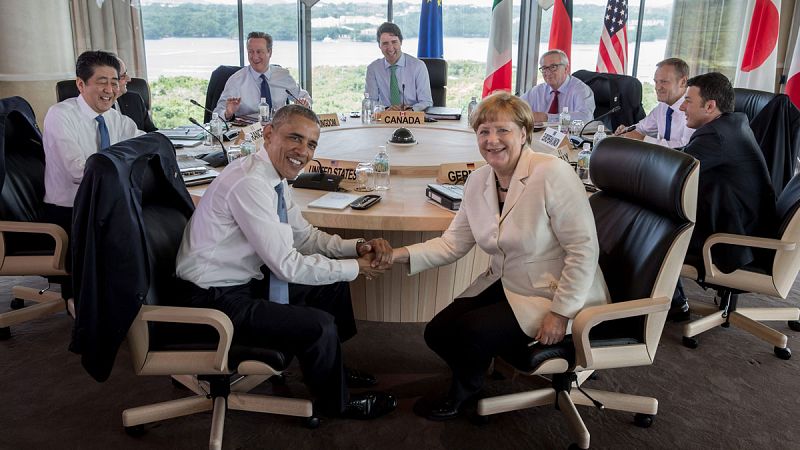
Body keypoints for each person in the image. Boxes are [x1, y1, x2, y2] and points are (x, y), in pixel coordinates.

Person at [389, 92, 609, 420]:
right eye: (484, 131)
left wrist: (561, 313)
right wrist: (395, 255)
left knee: (473, 333)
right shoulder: (479, 180)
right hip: (509, 282)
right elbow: (452, 244)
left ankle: (464, 394)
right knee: (437, 332)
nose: (492, 140)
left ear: (523, 133)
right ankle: (475, 370)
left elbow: (583, 250)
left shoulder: (552, 173)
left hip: (555, 292)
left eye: (502, 130)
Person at [175, 105, 397, 420]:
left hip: (241, 283)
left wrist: (355, 248)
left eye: (311, 144)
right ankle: (338, 403)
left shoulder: (274, 178)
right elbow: (287, 266)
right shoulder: (251, 183)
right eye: (294, 138)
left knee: (331, 287)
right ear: (268, 134)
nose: (302, 151)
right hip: (213, 299)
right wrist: (357, 269)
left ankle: (333, 369)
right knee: (318, 325)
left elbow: (304, 237)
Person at [42, 50, 144, 313]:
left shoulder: (117, 119)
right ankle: (95, 311)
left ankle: (135, 305)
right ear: (80, 84)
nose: (110, 89)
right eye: (102, 82)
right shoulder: (60, 115)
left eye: (114, 81)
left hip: (105, 204)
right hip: (71, 211)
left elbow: (145, 146)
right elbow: (79, 172)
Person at [669, 72, 777, 319]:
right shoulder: (732, 124)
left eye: (688, 101)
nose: (683, 107)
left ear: (710, 106)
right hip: (746, 226)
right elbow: (685, 156)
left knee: (654, 227)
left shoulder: (715, 135)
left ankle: (674, 305)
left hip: (735, 241)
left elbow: (674, 170)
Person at [213, 31, 311, 120]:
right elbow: (217, 114)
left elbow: (303, 96)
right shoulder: (236, 80)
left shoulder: (283, 75)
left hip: (278, 130)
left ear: (270, 52)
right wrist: (228, 113)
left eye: (259, 52)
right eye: (251, 52)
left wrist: (305, 103)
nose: (255, 57)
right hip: (248, 134)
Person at [614, 58, 693, 148]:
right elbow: (642, 128)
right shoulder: (663, 106)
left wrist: (643, 139)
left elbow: (685, 146)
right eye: (656, 82)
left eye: (664, 82)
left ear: (683, 82)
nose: (657, 87)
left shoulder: (693, 109)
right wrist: (626, 131)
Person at [365, 22, 433, 112]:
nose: (390, 48)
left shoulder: (418, 66)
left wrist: (411, 110)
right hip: (385, 119)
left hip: (412, 119)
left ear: (400, 42)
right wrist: (385, 110)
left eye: (394, 42)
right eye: (385, 43)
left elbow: (426, 102)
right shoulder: (373, 69)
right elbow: (370, 102)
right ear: (379, 46)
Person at [519, 49, 595, 123]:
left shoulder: (581, 90)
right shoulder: (538, 90)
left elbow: (585, 117)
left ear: (566, 69)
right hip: (541, 134)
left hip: (571, 135)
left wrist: (547, 118)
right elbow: (516, 107)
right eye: (544, 68)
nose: (548, 72)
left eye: (553, 67)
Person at [114, 57, 157, 132]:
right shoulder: (101, 106)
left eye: (126, 73)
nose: (129, 79)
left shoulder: (135, 99)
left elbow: (151, 132)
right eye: (123, 76)